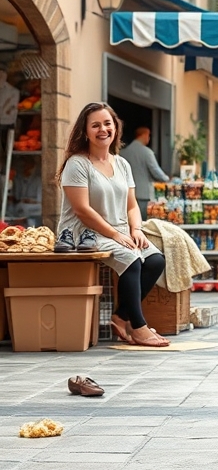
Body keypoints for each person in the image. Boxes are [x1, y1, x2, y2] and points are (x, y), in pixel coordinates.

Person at [54, 102, 169, 347]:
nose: (102, 129)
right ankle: (138, 327)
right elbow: (81, 210)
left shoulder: (122, 164)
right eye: (95, 125)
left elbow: (131, 205)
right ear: (85, 132)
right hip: (83, 231)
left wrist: (136, 229)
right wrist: (116, 235)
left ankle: (121, 316)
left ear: (115, 128)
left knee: (155, 259)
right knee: (132, 259)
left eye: (107, 124)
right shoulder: (77, 163)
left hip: (119, 229)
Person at [120, 126, 169, 221]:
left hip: (126, 194)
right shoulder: (147, 152)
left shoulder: (123, 153)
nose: (149, 138)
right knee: (142, 223)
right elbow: (156, 172)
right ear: (144, 135)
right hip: (143, 195)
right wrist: (167, 179)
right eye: (148, 135)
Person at [11, 155, 42, 227]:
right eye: (24, 165)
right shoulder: (18, 179)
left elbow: (39, 201)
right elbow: (16, 198)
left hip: (34, 208)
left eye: (28, 165)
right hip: (19, 208)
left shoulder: (38, 180)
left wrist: (28, 201)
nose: (25, 168)